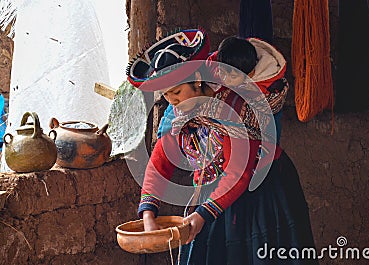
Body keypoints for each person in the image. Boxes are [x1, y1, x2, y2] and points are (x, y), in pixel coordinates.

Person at [127, 28, 318, 265]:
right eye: (166, 94)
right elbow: (159, 162)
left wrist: (204, 214)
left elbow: (239, 171)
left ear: (196, 80)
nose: (172, 100)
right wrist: (148, 214)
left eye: (176, 91)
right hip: (215, 194)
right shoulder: (177, 114)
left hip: (262, 192)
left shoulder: (232, 107)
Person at [211, 35, 288, 145]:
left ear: (249, 74)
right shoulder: (227, 59)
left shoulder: (267, 88)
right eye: (222, 72)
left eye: (232, 77)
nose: (225, 79)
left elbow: (251, 118)